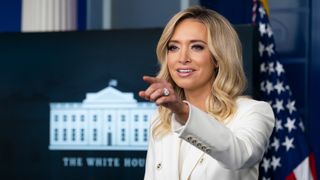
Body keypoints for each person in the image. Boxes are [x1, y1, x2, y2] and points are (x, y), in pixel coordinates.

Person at [139, 6, 275, 180]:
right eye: (173, 47)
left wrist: (183, 112)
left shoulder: (253, 111)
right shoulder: (161, 118)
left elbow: (240, 157)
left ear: (219, 57)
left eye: (196, 47)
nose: (182, 58)